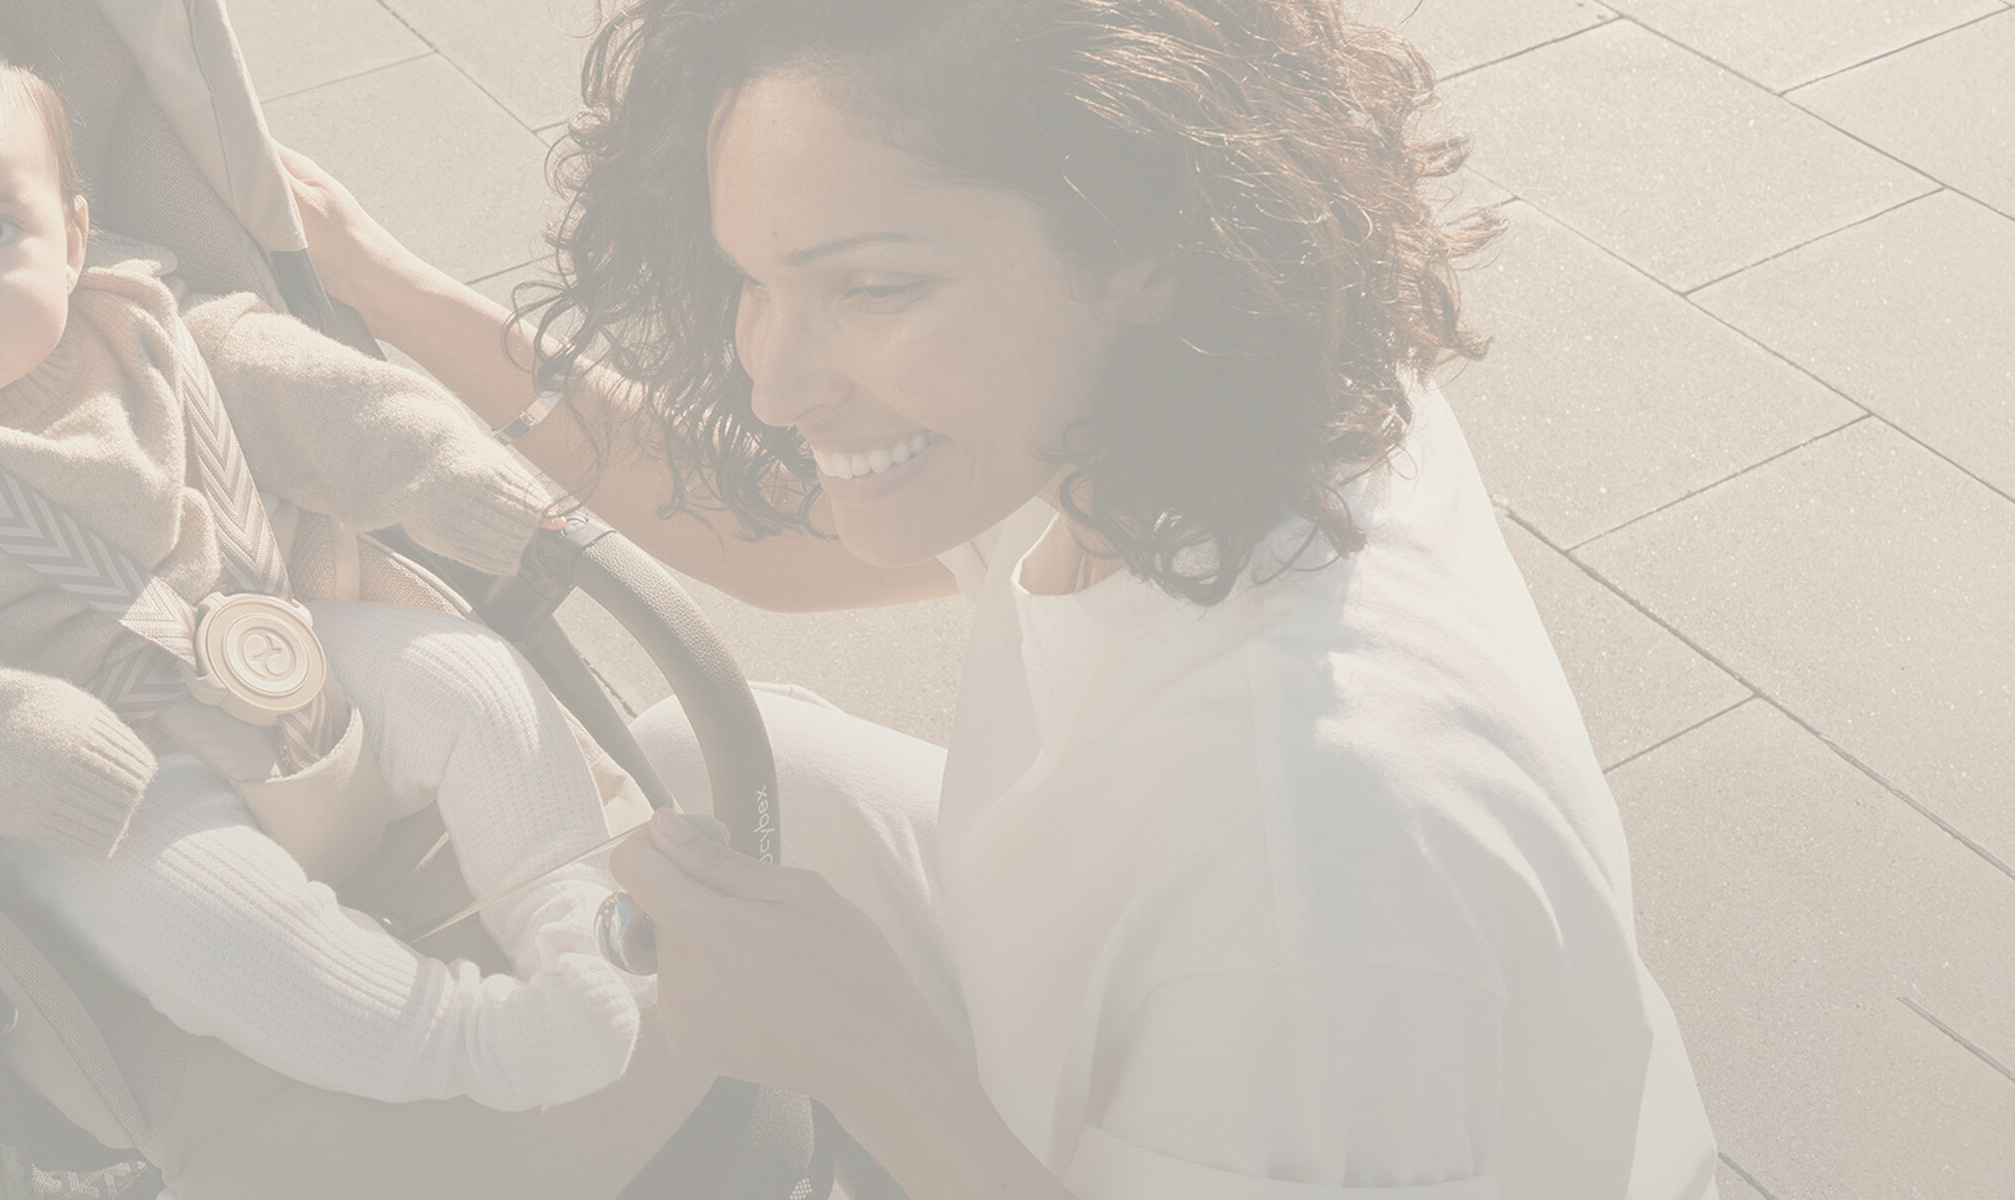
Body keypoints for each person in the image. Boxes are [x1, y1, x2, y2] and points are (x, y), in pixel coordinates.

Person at [274, 0, 1724, 1194]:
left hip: (1306, 1092)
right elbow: (764, 536)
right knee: (709, 766)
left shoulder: (1305, 857)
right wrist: (375, 279)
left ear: (1142, 243)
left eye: (873, 290)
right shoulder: (1213, 392)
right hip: (1197, 1031)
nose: (774, 382)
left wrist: (869, 1064)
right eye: (752, 280)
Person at [0, 0, 646, 1113]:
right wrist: (19, 739)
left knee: (474, 678)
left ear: (72, 236)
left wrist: (448, 473)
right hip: (101, 781)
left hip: (281, 649)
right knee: (212, 926)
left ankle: (572, 920)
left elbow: (321, 398)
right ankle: (461, 1042)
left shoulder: (146, 326)